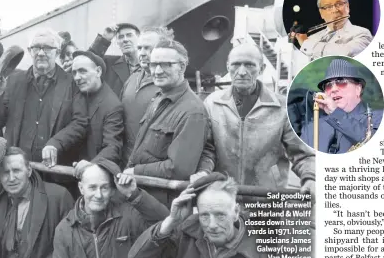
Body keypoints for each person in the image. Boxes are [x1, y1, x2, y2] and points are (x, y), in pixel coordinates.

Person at [198, 43, 315, 195]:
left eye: (249, 65)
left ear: (262, 68)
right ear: (228, 67)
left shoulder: (283, 109)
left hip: (267, 197)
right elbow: (208, 149)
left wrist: (310, 178)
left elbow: (303, 154)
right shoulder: (212, 103)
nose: (241, 72)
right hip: (223, 195)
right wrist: (203, 172)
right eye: (236, 65)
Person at [128, 173, 280, 258]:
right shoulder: (188, 233)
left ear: (235, 212)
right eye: (205, 216)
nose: (212, 225)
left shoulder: (260, 257)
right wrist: (170, 222)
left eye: (220, 215)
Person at [0, 28, 87, 168]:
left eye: (46, 48)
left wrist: (56, 143)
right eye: (36, 48)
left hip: (55, 171)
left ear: (57, 52)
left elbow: (80, 123)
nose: (40, 53)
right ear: (30, 51)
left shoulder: (71, 83)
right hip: (19, 170)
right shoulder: (13, 81)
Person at [125, 39, 209, 205]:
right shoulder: (158, 98)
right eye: (153, 64)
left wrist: (135, 171)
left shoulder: (192, 111)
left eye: (165, 64)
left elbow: (178, 169)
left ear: (182, 67)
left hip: (164, 203)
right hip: (142, 195)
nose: (157, 71)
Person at [53, 160, 169, 258]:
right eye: (92, 187)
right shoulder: (65, 230)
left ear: (113, 190)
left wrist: (134, 194)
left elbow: (165, 225)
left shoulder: (128, 217)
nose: (98, 195)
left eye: (104, 188)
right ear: (81, 188)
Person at [301, 58, 383, 154]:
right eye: (328, 85)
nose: (334, 89)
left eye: (341, 81)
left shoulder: (378, 118)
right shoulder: (311, 128)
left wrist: (336, 113)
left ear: (358, 89)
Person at [120, 27, 173, 164]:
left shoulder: (169, 87)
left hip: (152, 167)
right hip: (125, 164)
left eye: (148, 48)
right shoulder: (131, 80)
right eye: (140, 48)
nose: (142, 54)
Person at [70, 51, 124, 170]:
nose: (77, 77)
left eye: (83, 71)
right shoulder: (76, 91)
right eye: (74, 73)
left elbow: (112, 146)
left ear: (98, 72)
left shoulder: (112, 105)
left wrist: (92, 165)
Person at [291, 0, 373, 61]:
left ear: (347, 7)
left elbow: (346, 54)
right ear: (321, 13)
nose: (335, 10)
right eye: (328, 7)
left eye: (339, 4)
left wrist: (307, 43)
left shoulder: (362, 33)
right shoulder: (312, 38)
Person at [88, 23, 141, 96]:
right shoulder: (108, 64)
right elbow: (87, 61)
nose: (125, 40)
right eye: (120, 37)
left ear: (139, 39)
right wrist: (104, 39)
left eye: (129, 35)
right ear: (118, 43)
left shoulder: (150, 65)